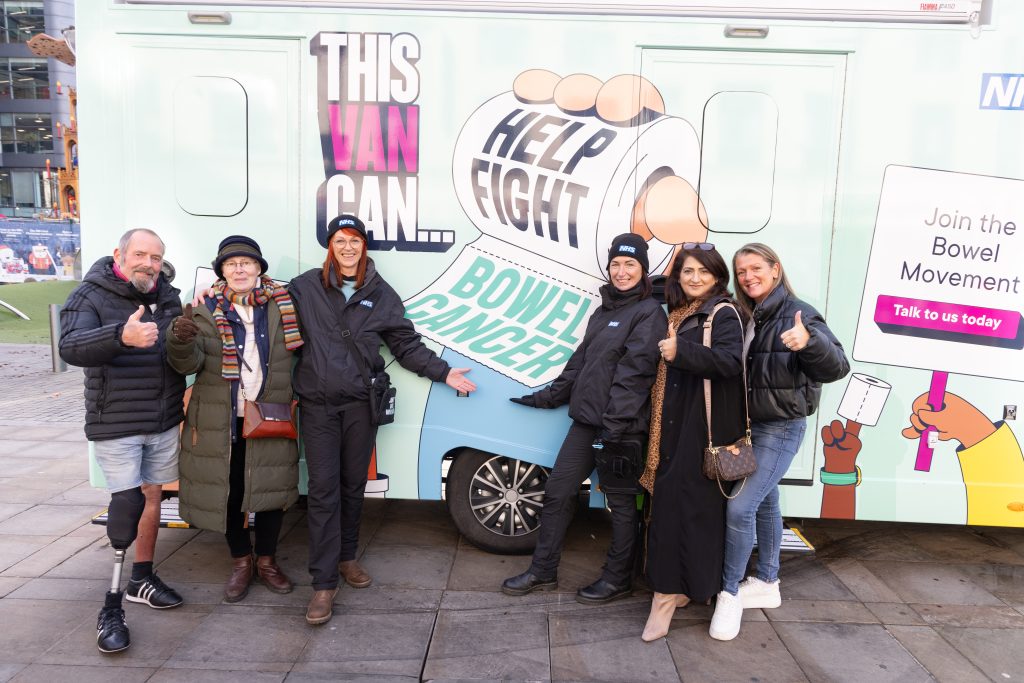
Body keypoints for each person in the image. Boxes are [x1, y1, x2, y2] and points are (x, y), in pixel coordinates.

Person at [290, 214, 478, 626]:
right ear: (330, 245)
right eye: (340, 240)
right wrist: (215, 297)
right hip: (318, 407)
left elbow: (406, 344)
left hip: (361, 405)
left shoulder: (380, 293)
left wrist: (443, 372)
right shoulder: (305, 287)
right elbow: (268, 315)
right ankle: (323, 584)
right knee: (323, 492)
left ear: (364, 246)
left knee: (353, 487)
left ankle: (346, 557)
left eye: (355, 240)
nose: (348, 248)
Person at [501, 233, 667, 604]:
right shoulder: (603, 311)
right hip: (588, 427)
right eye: (616, 264)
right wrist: (545, 398)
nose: (622, 272)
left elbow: (635, 376)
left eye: (630, 265)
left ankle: (617, 578)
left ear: (643, 270)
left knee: (621, 506)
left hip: (621, 430)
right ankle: (543, 571)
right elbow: (579, 366)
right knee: (558, 492)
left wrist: (613, 429)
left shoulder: (649, 314)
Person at [709, 242, 849, 641]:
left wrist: (810, 343)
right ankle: (767, 583)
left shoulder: (797, 312)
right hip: (753, 427)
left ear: (775, 269)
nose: (748, 277)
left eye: (756, 268)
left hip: (781, 427)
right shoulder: (752, 315)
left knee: (738, 509)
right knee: (765, 499)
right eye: (742, 272)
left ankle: (729, 593)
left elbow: (838, 365)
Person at [59, 228, 185, 654]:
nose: (147, 263)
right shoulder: (90, 294)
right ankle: (111, 606)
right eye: (140, 254)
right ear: (119, 254)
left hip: (163, 418)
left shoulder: (167, 296)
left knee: (153, 496)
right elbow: (70, 346)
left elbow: (177, 350)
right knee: (127, 502)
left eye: (155, 257)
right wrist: (120, 336)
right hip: (116, 421)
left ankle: (141, 578)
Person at [166, 236, 303, 603]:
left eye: (246, 263)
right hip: (221, 419)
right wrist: (178, 339)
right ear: (221, 272)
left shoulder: (284, 304)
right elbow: (188, 363)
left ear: (259, 269)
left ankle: (268, 562)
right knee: (231, 493)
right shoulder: (202, 308)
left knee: (271, 492)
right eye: (231, 264)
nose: (239, 269)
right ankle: (242, 562)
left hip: (270, 413)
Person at [639, 243, 745, 641]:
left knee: (678, 515)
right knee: (682, 513)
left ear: (718, 276)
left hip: (698, 432)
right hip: (673, 427)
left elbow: (730, 363)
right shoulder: (682, 312)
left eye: (703, 271)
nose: (695, 278)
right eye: (687, 271)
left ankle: (664, 599)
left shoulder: (723, 312)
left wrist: (681, 351)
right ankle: (685, 589)